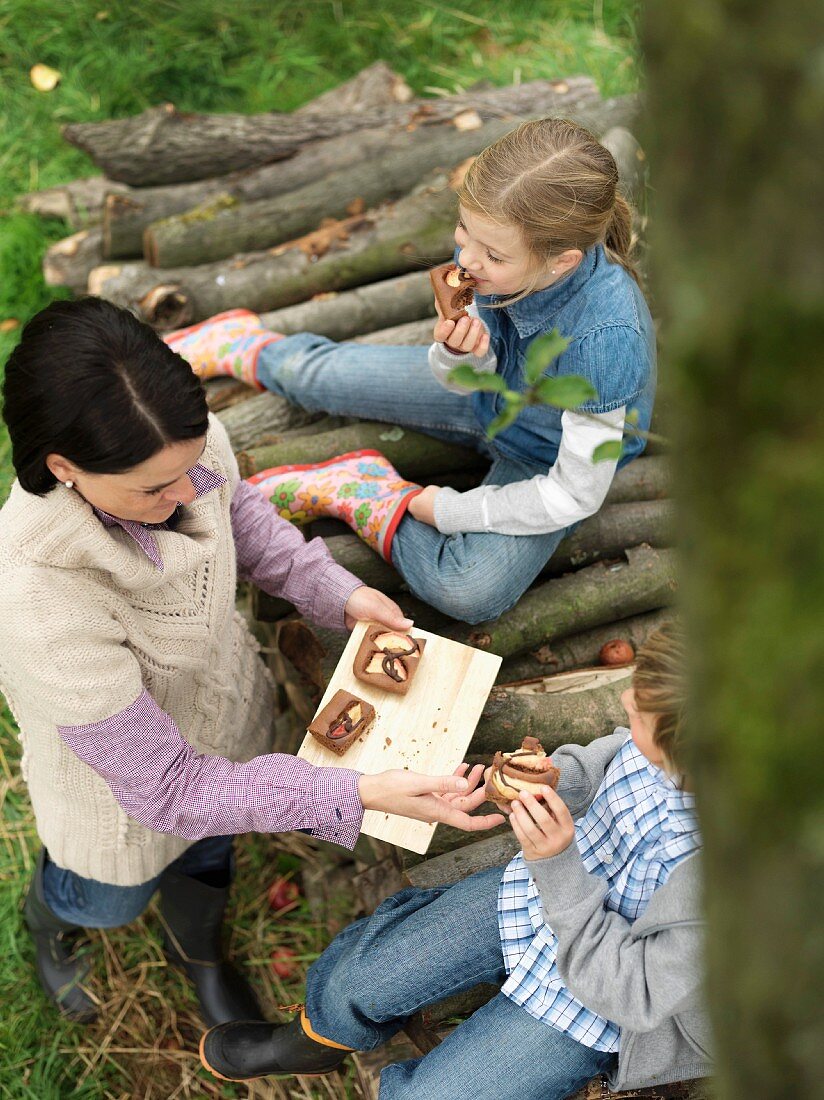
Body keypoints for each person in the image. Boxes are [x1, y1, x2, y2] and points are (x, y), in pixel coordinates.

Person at [0, 298, 502, 1028]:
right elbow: (166, 788)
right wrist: (354, 795)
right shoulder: (39, 603)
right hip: (118, 799)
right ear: (63, 467)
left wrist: (337, 591)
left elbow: (240, 513)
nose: (185, 494)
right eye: (154, 490)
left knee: (211, 850)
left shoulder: (180, 450)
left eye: (190, 466)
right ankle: (54, 914)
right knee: (114, 896)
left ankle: (198, 948)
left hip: (222, 715)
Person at [165, 118, 656, 623]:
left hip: (545, 455)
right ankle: (242, 342)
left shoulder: (604, 340)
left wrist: (449, 510)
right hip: (483, 397)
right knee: (317, 376)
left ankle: (364, 490)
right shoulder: (497, 251)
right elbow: (454, 377)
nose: (465, 259)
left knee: (469, 591)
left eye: (490, 254)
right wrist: (459, 356)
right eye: (464, 231)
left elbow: (576, 493)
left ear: (561, 262)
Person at [200, 622, 711, 1099]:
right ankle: (314, 1039)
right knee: (363, 977)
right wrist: (551, 780)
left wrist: (556, 864)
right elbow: (613, 758)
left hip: (603, 1001)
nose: (624, 699)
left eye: (641, 709)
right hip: (534, 899)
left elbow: (633, 993)